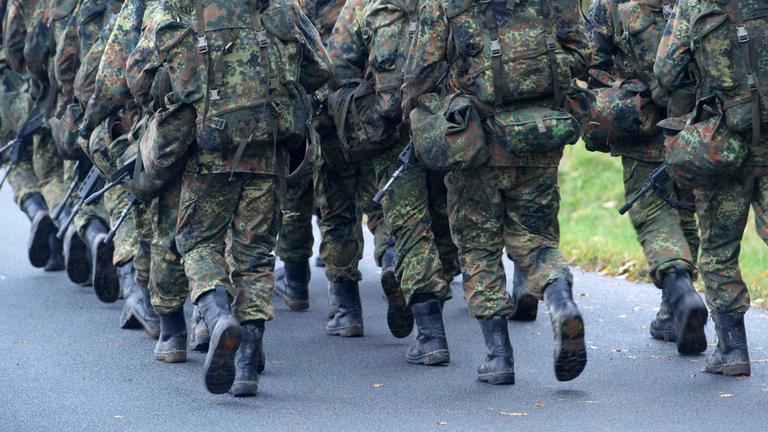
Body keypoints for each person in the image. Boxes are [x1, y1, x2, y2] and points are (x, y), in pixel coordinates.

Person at [134, 0, 332, 396]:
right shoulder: (279, 6)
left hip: (206, 154)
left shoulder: (173, 9)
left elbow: (139, 79)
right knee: (255, 256)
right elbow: (320, 67)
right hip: (267, 149)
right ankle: (246, 367)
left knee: (198, 243)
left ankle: (218, 314)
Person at [402, 0, 590, 384]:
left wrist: (425, 121)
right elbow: (582, 54)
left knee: (478, 248)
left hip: (477, 143)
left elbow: (421, 74)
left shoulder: (444, 6)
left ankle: (498, 356)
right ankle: (561, 301)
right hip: (540, 135)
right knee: (536, 239)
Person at [655, 0, 768, 377]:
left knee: (719, 249)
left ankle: (733, 350)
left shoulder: (694, 4)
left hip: (725, 142)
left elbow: (666, 71)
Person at [588, 0, 707, 355]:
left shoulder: (611, 5)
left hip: (643, 126)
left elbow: (591, 62)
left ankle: (679, 292)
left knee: (654, 216)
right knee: (687, 209)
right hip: (699, 125)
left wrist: (622, 88)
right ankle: (673, 311)